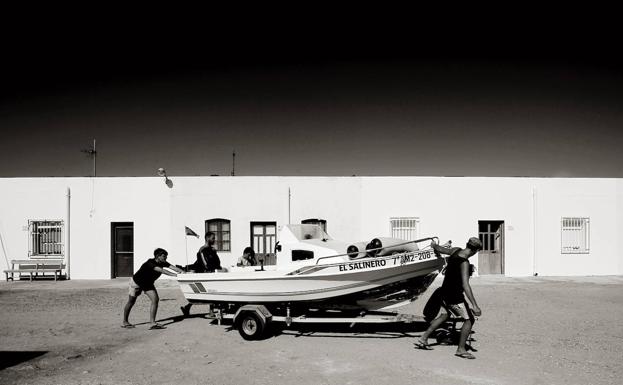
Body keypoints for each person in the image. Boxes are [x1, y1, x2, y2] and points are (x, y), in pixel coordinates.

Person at [414, 237, 483, 359]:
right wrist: (475, 305)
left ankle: (423, 338)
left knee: (445, 315)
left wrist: (434, 245)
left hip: (444, 292)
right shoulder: (464, 263)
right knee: (469, 320)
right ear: (476, 250)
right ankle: (461, 349)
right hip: (454, 296)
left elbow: (440, 249)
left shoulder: (455, 250)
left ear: (467, 244)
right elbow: (465, 285)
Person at [122, 248, 183, 329]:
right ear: (158, 256)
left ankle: (152, 323)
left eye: (166, 256)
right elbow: (162, 271)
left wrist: (183, 272)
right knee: (131, 302)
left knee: (155, 299)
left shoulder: (163, 262)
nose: (166, 258)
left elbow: (172, 267)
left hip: (148, 284)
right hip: (137, 282)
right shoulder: (150, 263)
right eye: (164, 256)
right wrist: (176, 275)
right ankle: (125, 322)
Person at [180, 232, 226, 316]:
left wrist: (218, 268)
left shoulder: (212, 249)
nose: (214, 240)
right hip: (204, 273)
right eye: (213, 238)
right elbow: (204, 263)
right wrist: (208, 270)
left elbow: (216, 261)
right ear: (207, 238)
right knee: (207, 293)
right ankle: (190, 307)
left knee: (211, 292)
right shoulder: (202, 249)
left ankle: (188, 307)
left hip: (211, 272)